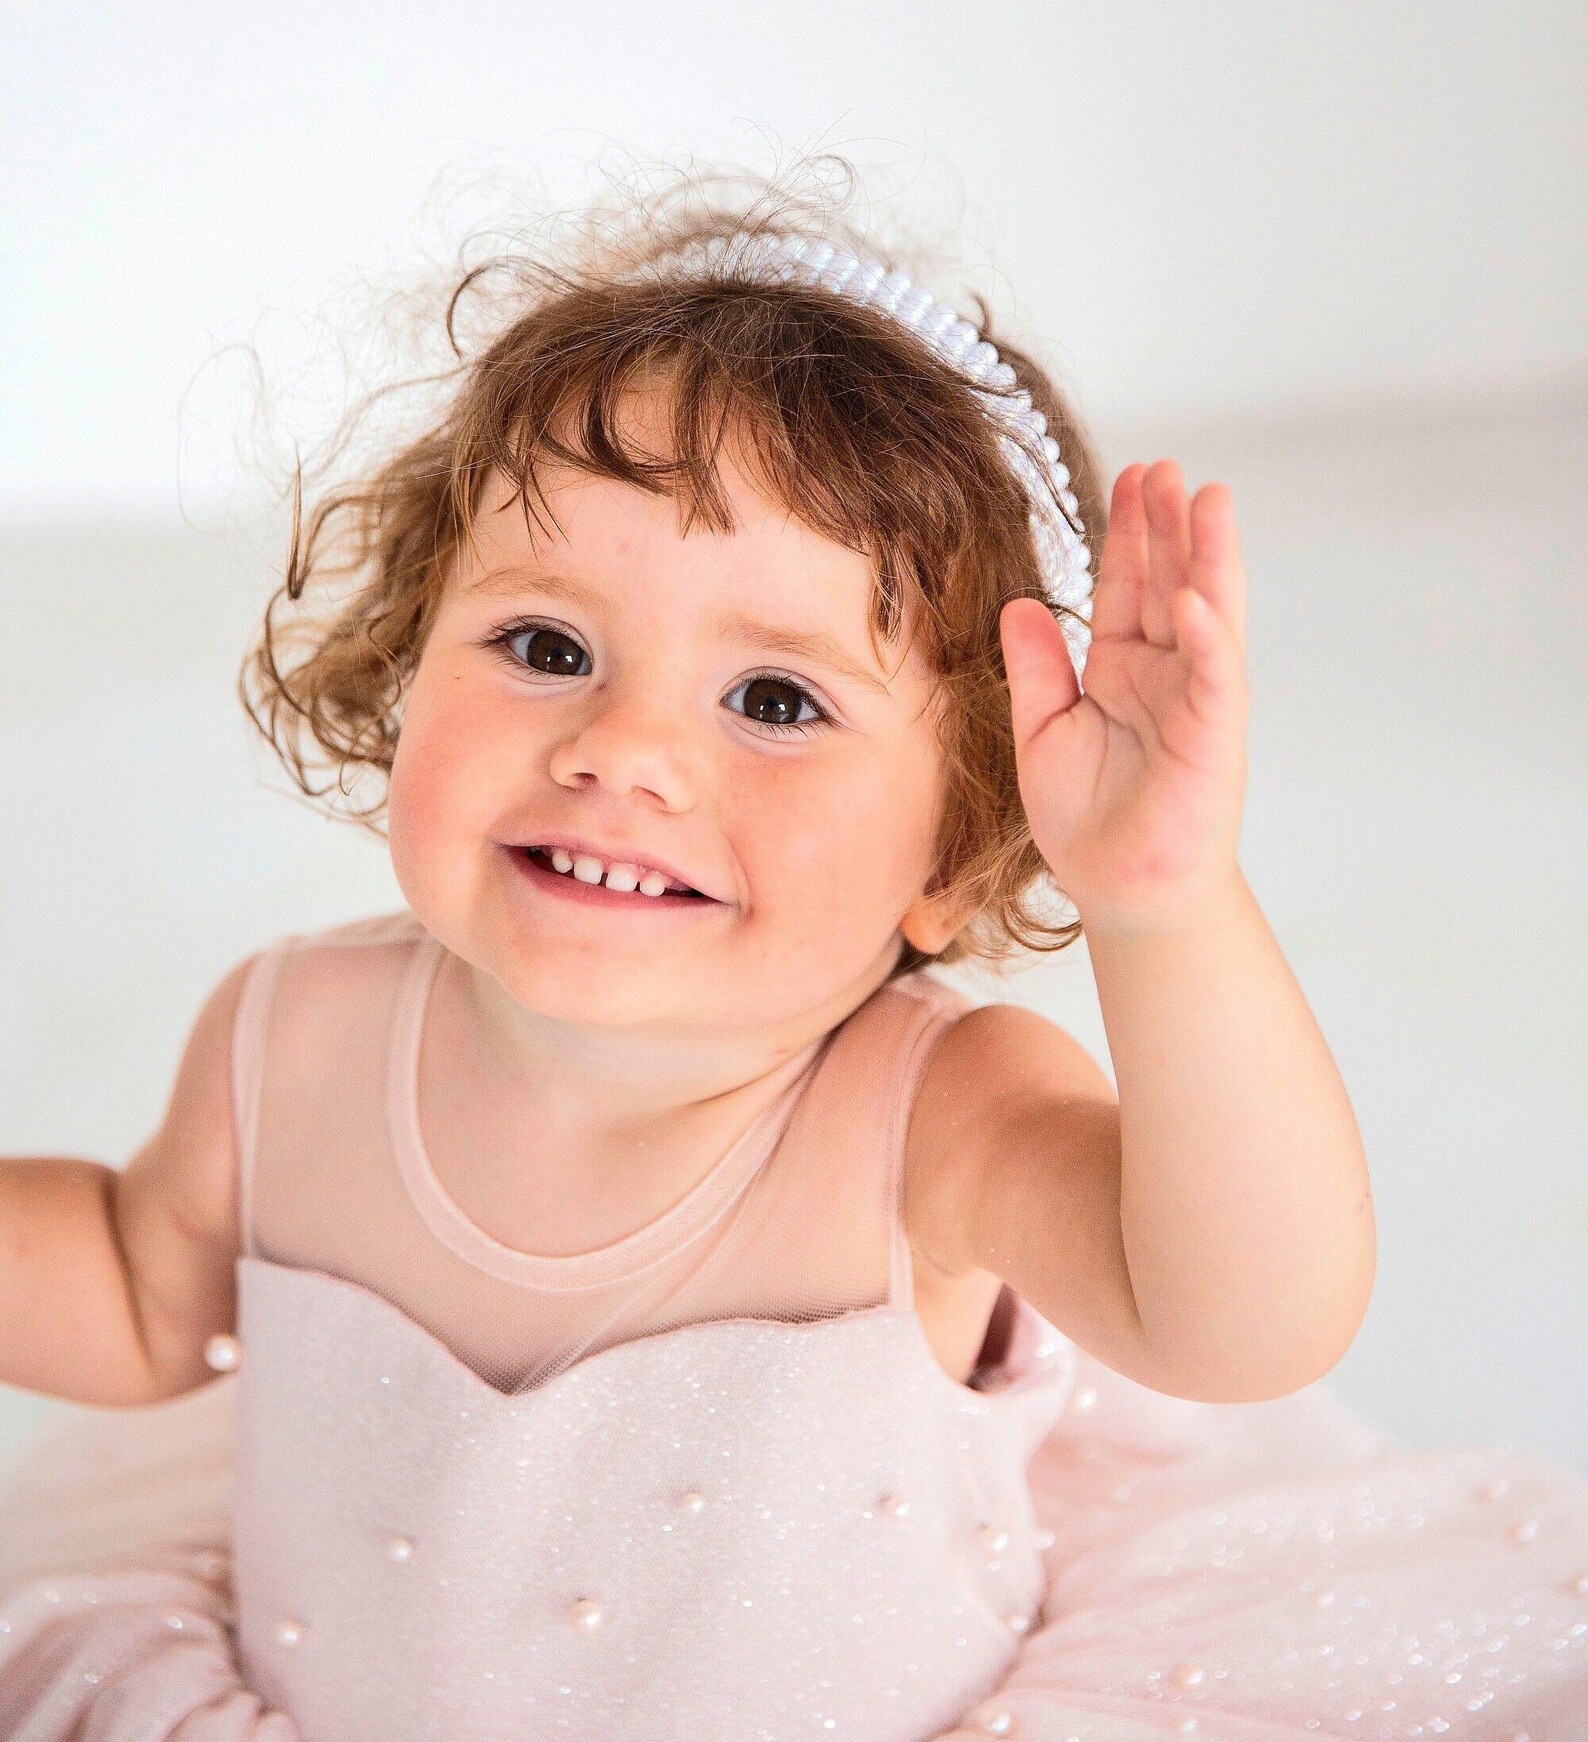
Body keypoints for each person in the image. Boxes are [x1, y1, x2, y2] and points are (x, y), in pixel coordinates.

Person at [1, 166, 1584, 1741]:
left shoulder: (930, 1111)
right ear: (411, 654)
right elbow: (147, 1293)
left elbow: (1246, 1320)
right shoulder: (295, 1035)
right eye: (545, 647)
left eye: (775, 700)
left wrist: (1165, 905)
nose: (625, 750)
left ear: (957, 848)